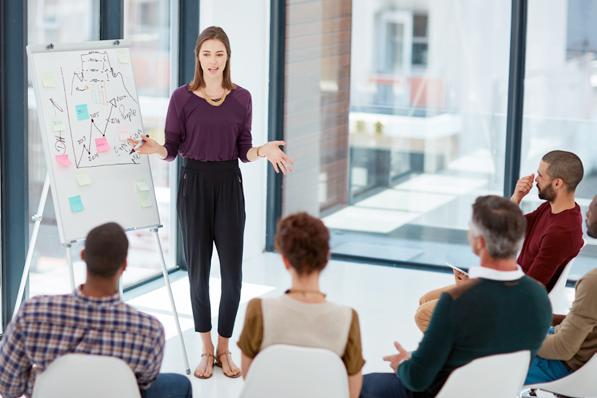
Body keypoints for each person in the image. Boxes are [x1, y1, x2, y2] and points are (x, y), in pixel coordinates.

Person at [129, 26, 293, 379]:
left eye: (219, 54)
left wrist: (263, 151)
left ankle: (223, 346)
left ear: (227, 57)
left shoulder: (242, 98)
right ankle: (205, 349)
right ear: (198, 57)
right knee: (199, 274)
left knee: (233, 276)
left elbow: (243, 149)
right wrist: (155, 148)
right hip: (194, 185)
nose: (213, 61)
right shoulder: (181, 98)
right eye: (207, 54)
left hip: (229, 184)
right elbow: (171, 149)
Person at [360, 195, 552, 398]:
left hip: (439, 393)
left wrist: (403, 364)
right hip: (497, 392)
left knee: (358, 385)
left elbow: (417, 379)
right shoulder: (539, 297)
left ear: (478, 242)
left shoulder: (456, 302)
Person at [0, 222, 191, 398]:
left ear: (83, 256)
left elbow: (8, 385)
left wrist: (43, 383)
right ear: (124, 265)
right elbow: (142, 384)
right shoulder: (150, 331)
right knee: (182, 385)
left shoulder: (33, 314)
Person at [415, 150, 584, 331]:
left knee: (424, 315)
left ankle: (468, 355)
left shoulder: (561, 233)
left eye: (541, 176)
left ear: (557, 183)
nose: (535, 180)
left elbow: (527, 293)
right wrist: (516, 197)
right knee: (426, 299)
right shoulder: (552, 210)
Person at [237, 213, 365, 398]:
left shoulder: (259, 310)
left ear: (285, 260)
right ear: (326, 258)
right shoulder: (347, 318)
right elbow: (352, 393)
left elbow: (251, 377)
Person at [524, 195, 597, 385]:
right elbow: (588, 323)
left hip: (564, 367)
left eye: (594, 205)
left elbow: (563, 348)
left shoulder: (593, 282)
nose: (587, 209)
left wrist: (518, 337)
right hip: (569, 346)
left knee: (469, 359)